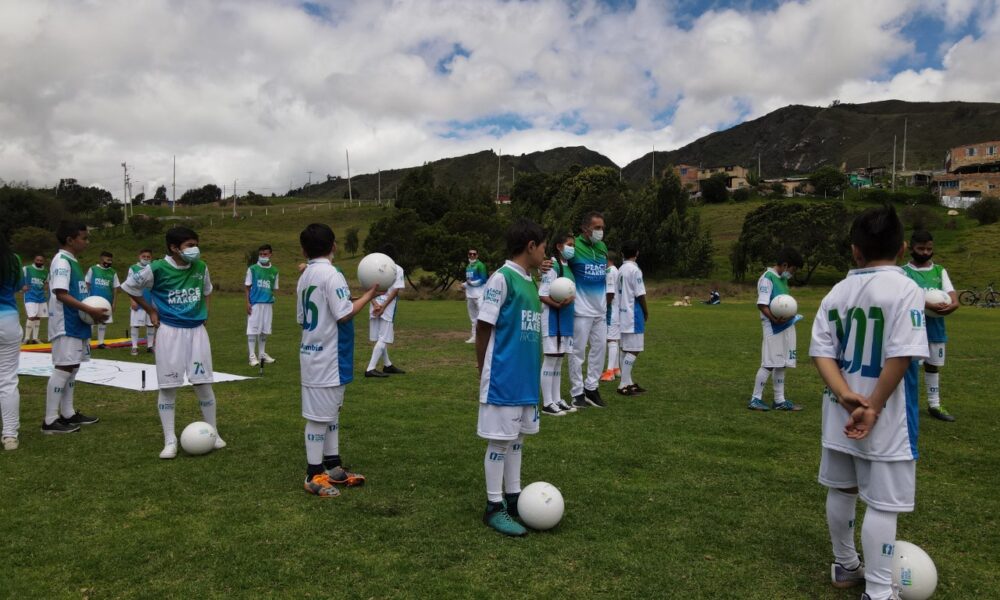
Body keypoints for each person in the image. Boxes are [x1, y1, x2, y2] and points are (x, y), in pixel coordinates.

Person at [809, 204, 928, 600]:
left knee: (842, 489)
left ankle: (845, 564)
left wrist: (845, 395)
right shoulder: (906, 287)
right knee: (883, 504)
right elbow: (902, 354)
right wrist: (872, 406)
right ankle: (878, 591)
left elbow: (821, 353)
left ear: (854, 250)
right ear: (903, 247)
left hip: (839, 413)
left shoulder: (836, 292)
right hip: (885, 418)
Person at [121, 227, 225, 459]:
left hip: (197, 332)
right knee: (168, 387)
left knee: (204, 384)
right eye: (189, 245)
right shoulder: (156, 268)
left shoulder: (201, 266)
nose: (194, 249)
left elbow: (207, 290)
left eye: (195, 244)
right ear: (174, 248)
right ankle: (170, 439)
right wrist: (150, 311)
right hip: (169, 332)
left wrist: (205, 311)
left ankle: (214, 433)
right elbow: (128, 286)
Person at [296, 223, 379, 496]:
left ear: (304, 249)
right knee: (319, 418)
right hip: (326, 357)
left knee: (331, 413)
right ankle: (313, 474)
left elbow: (303, 317)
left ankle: (332, 466)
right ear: (333, 245)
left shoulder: (306, 274)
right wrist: (369, 294)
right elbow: (343, 314)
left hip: (318, 354)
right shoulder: (331, 274)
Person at [476, 218, 545, 536]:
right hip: (503, 376)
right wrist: (484, 372)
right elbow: (483, 326)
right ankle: (494, 506)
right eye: (543, 246)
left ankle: (514, 498)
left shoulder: (531, 281)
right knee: (500, 442)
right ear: (530, 246)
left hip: (526, 378)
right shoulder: (501, 279)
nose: (545, 253)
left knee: (517, 440)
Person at [44, 221, 105, 434]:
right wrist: (92, 310)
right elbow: (60, 293)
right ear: (70, 240)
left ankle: (68, 413)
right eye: (84, 238)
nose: (87, 241)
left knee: (73, 367)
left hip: (77, 322)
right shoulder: (62, 261)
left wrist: (91, 314)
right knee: (63, 367)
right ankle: (50, 420)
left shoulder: (73, 261)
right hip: (65, 323)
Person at [902, 230, 959, 422]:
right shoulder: (903, 272)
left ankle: (934, 404)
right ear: (911, 248)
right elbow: (905, 297)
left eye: (929, 249)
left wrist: (952, 306)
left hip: (935, 328)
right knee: (907, 367)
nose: (925, 252)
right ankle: (906, 404)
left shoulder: (939, 270)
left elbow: (952, 295)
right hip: (912, 328)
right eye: (921, 248)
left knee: (933, 366)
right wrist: (927, 304)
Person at [748, 247, 804, 412]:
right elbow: (762, 304)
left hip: (786, 325)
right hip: (773, 326)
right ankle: (755, 399)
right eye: (793, 269)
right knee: (769, 362)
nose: (792, 273)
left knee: (782, 363)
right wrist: (774, 319)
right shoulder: (767, 278)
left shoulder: (782, 279)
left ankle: (779, 400)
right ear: (785, 265)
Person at [567, 211, 609, 409]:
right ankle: (577, 392)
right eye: (597, 228)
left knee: (600, 350)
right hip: (580, 310)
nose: (600, 232)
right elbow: (559, 263)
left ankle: (591, 387)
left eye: (602, 228)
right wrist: (544, 267)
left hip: (600, 310)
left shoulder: (602, 247)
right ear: (585, 229)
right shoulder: (573, 246)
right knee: (577, 353)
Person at [538, 232, 576, 416]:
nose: (572, 248)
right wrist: (558, 305)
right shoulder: (552, 265)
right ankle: (547, 403)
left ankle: (557, 398)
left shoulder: (567, 266)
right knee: (551, 359)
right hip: (552, 320)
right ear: (559, 246)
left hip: (565, 320)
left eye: (573, 245)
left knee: (559, 361)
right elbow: (543, 294)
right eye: (569, 244)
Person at [364, 245, 406, 378]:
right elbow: (395, 291)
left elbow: (367, 287)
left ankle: (387, 365)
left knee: (380, 337)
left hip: (375, 304)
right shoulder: (397, 269)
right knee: (383, 337)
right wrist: (383, 307)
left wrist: (375, 303)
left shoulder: (371, 267)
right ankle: (370, 368)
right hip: (387, 307)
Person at [616, 241, 648, 396]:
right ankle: (623, 384)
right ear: (637, 253)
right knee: (635, 350)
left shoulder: (620, 269)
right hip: (633, 312)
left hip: (621, 313)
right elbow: (640, 293)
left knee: (626, 348)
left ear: (622, 254)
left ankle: (628, 382)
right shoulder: (635, 270)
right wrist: (646, 311)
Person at [1, 238, 23, 450]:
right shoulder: (13, 259)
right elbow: (18, 286)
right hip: (8, 319)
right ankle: (9, 436)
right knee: (7, 380)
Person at [246, 244, 279, 367]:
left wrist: (271, 299)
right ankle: (252, 356)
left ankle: (262, 354)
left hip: (268, 304)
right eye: (260, 254)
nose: (262, 256)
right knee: (252, 329)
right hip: (255, 303)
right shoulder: (253, 269)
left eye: (265, 254)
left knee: (265, 330)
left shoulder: (275, 271)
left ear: (270, 254)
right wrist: (248, 302)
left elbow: (273, 288)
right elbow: (247, 287)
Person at [85, 251, 120, 349]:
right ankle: (88, 342)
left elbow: (115, 288)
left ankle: (101, 343)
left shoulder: (113, 272)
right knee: (91, 321)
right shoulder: (93, 269)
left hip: (107, 301)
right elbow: (87, 283)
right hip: (93, 300)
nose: (109, 261)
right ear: (101, 259)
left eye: (110, 260)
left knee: (103, 321)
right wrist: (84, 298)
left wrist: (114, 303)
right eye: (107, 259)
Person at [128, 249, 156, 356]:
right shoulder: (133, 268)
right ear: (139, 256)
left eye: (148, 257)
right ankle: (134, 347)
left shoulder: (153, 268)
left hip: (150, 302)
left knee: (151, 325)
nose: (146, 258)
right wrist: (133, 300)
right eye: (144, 256)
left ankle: (149, 346)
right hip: (138, 301)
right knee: (135, 325)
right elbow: (129, 285)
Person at [600, 251, 621, 382]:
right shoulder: (616, 270)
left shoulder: (610, 271)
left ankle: (609, 373)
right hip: (617, 309)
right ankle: (616, 369)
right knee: (615, 339)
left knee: (611, 340)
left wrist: (604, 306)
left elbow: (610, 292)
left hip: (611, 310)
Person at [20, 255, 48, 345]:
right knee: (31, 316)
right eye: (37, 260)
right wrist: (22, 285)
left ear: (43, 262)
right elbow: (19, 277)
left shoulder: (46, 271)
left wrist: (46, 287)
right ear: (34, 260)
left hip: (40, 297)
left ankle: (35, 338)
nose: (39, 262)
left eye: (41, 260)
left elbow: (46, 282)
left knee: (38, 317)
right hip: (30, 296)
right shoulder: (27, 268)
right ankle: (26, 339)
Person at [463, 248, 488, 343]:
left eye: (474, 254)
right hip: (470, 295)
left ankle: (484, 336)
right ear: (468, 255)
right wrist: (464, 285)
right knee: (473, 318)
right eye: (470, 254)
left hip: (479, 295)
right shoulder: (468, 266)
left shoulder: (480, 265)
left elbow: (483, 279)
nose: (472, 255)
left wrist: (470, 283)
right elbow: (469, 281)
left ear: (477, 255)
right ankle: (474, 336)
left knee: (482, 316)